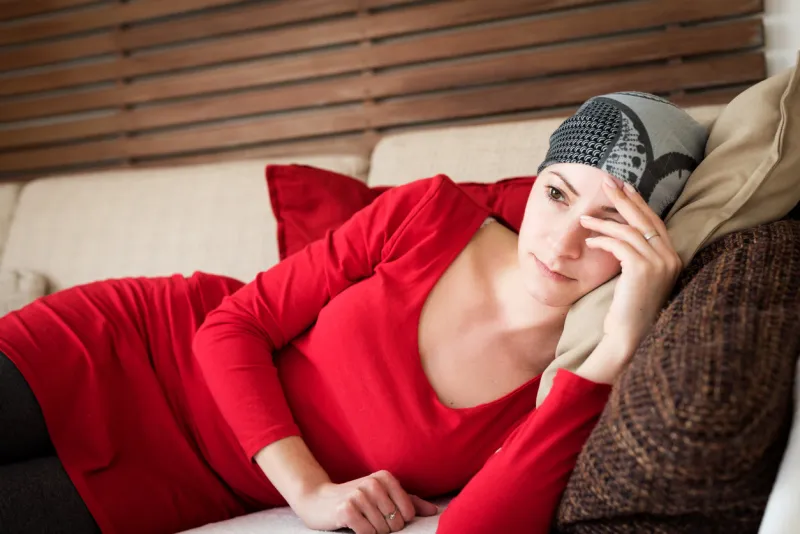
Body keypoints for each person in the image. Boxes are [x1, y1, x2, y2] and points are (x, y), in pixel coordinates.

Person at [0, 92, 707, 534]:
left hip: (174, 486)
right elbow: (230, 327)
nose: (565, 239)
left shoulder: (566, 376)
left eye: (612, 221)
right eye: (556, 194)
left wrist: (618, 348)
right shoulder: (429, 212)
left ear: (651, 243)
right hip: (129, 345)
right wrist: (310, 493)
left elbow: (480, 527)